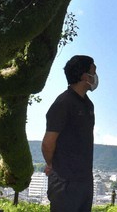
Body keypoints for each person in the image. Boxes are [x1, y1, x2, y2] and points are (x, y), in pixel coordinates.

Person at [42, 55, 98, 211]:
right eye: (93, 71)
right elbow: (48, 143)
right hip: (64, 182)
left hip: (84, 179)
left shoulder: (88, 105)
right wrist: (52, 164)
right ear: (84, 76)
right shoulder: (63, 103)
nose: (95, 77)